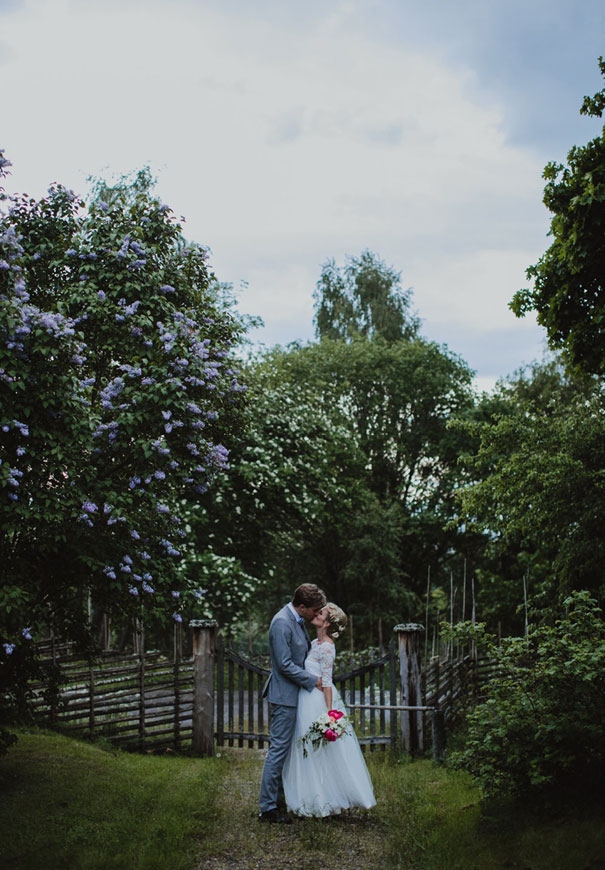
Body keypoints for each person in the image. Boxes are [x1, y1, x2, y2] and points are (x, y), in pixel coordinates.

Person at [281, 602, 376, 817]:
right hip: (305, 697)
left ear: (328, 622)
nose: (316, 613)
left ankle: (326, 798)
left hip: (317, 701)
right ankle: (309, 796)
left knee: (321, 749)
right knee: (307, 748)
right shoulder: (314, 642)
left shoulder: (327, 647)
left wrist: (330, 714)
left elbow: (326, 681)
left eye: (321, 612)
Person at [258, 583, 327, 823]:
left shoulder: (295, 620)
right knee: (278, 751)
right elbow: (284, 664)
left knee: (286, 751)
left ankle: (279, 801)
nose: (317, 614)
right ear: (301, 606)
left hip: (294, 695)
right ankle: (267, 808)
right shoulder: (281, 622)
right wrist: (313, 681)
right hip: (284, 696)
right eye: (315, 610)